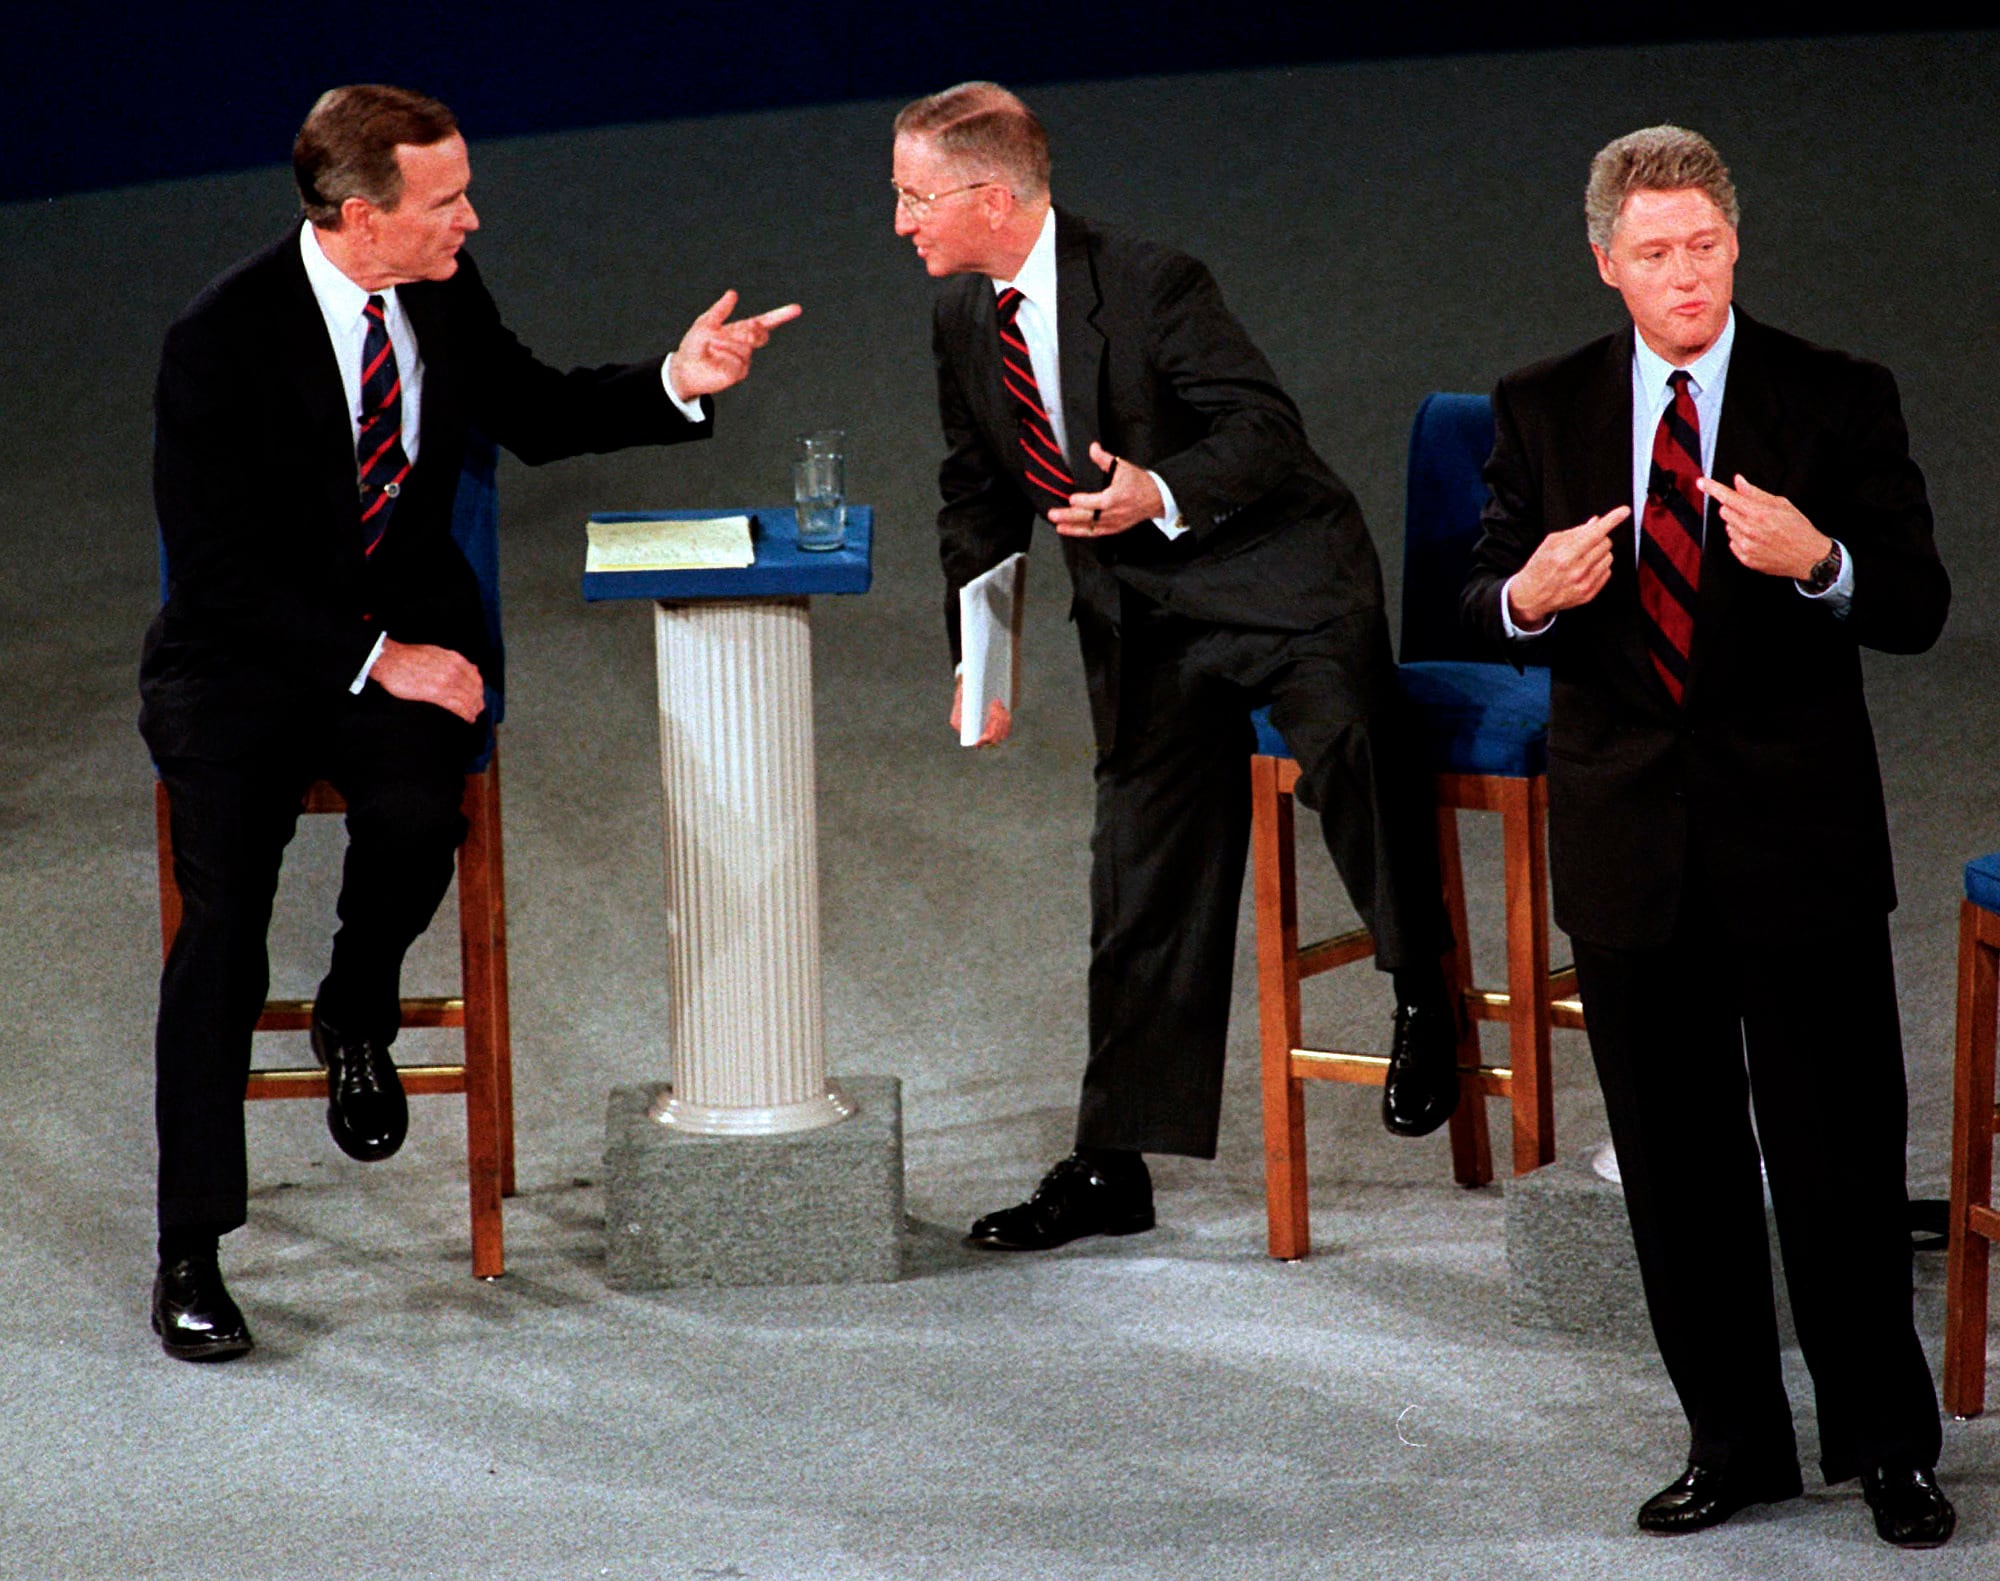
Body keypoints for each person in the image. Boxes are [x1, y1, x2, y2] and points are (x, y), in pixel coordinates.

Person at [141, 83, 797, 1361]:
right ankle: (191, 1248)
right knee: (221, 925)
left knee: (413, 818)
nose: (470, 219)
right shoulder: (217, 338)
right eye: (444, 202)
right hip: (244, 668)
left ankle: (356, 1007)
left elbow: (536, 410)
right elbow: (217, 567)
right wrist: (378, 658)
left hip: (406, 645)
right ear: (355, 215)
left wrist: (678, 378)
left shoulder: (440, 287)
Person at [1462, 125, 1953, 1547]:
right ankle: (1733, 1443)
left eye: (1707, 247)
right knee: (1677, 1172)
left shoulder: (1837, 397)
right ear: (1607, 262)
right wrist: (1531, 596)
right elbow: (1475, 591)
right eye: (1656, 253)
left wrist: (1825, 565)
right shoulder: (1542, 406)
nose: (1686, 276)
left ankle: (1885, 1446)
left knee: (1839, 1161)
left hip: (1794, 839)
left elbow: (1915, 603)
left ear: (1736, 244)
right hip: (1629, 842)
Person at [892, 82, 1456, 1253]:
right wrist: (978, 654)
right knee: (1138, 866)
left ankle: (1421, 994)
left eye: (910, 197)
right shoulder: (961, 318)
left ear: (992, 197)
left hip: (1276, 581)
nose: (898, 223)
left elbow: (1262, 430)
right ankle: (1112, 1167)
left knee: (1348, 738)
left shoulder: (1150, 282)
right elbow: (977, 494)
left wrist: (1154, 488)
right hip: (1147, 617)